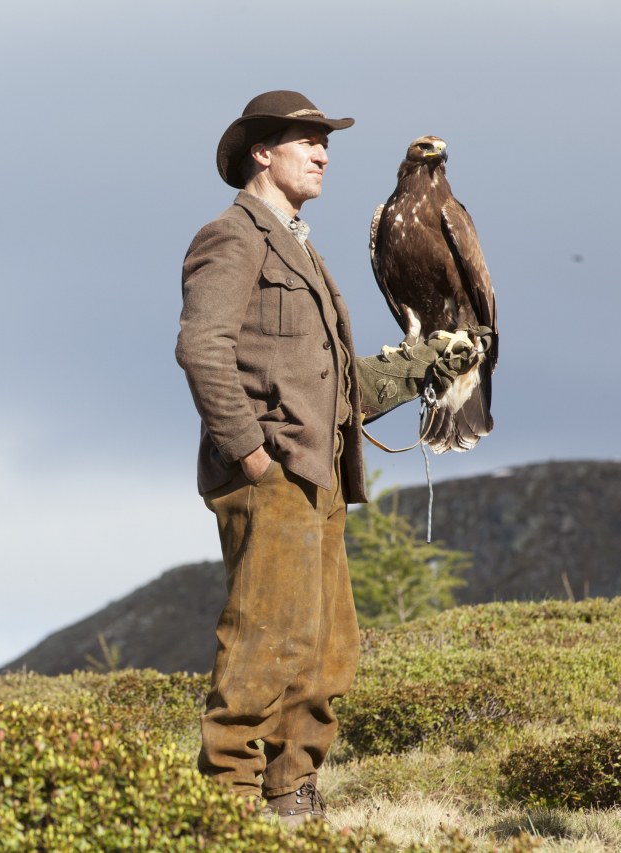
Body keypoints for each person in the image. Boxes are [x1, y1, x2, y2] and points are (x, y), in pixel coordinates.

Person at [175, 90, 487, 825]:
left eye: (326, 144)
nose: (321, 155)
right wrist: (250, 453)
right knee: (266, 639)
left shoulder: (300, 246)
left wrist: (419, 368)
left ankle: (290, 793)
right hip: (272, 473)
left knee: (325, 650)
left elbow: (332, 380)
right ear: (262, 152)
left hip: (318, 473)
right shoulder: (233, 236)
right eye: (306, 142)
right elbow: (201, 349)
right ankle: (226, 805)